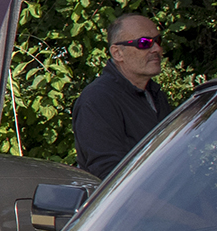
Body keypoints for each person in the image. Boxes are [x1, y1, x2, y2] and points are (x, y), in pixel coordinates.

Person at [72, 13, 172, 177]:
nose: (157, 49)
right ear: (117, 53)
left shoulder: (155, 94)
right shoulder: (98, 99)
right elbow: (108, 173)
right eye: (144, 43)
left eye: (158, 41)